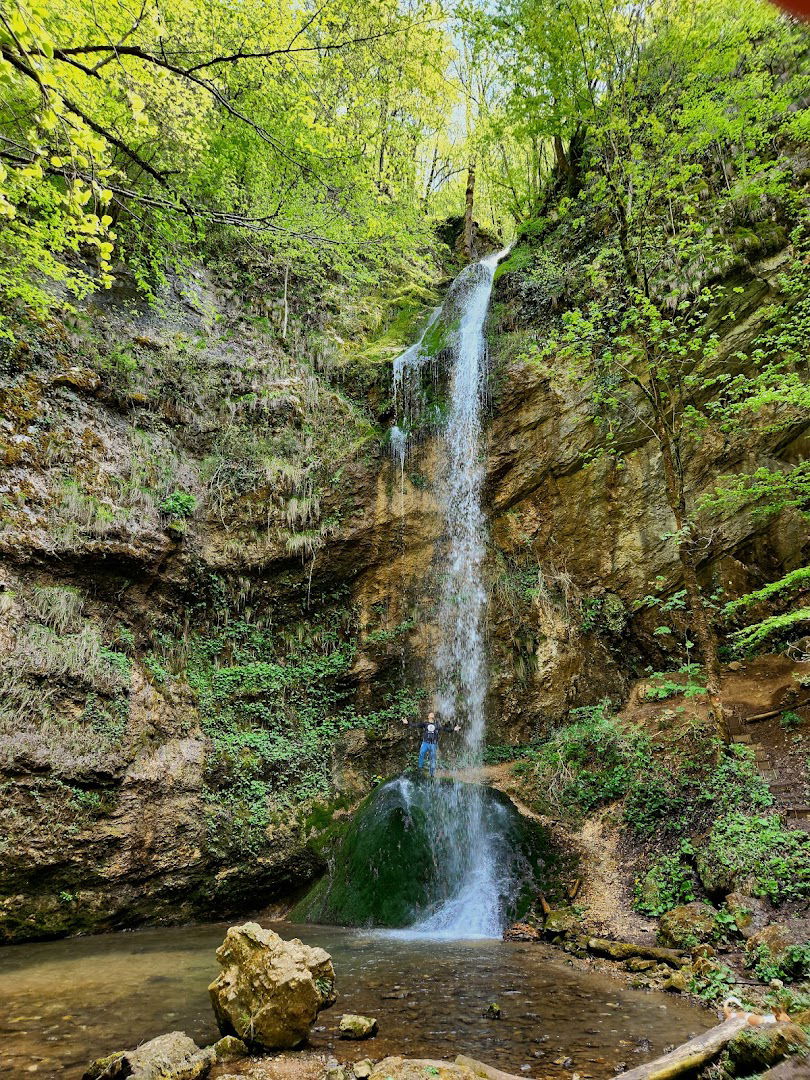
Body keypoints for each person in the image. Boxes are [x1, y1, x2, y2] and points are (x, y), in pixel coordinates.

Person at [402, 710, 460, 777]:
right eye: (430, 714)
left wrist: (453, 729)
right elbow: (416, 725)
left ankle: (432, 774)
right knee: (421, 754)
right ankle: (420, 770)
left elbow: (445, 729)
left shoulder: (437, 725)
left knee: (433, 758)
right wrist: (407, 723)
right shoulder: (425, 724)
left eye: (433, 714)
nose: (432, 714)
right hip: (425, 743)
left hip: (433, 744)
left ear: (434, 717)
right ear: (428, 716)